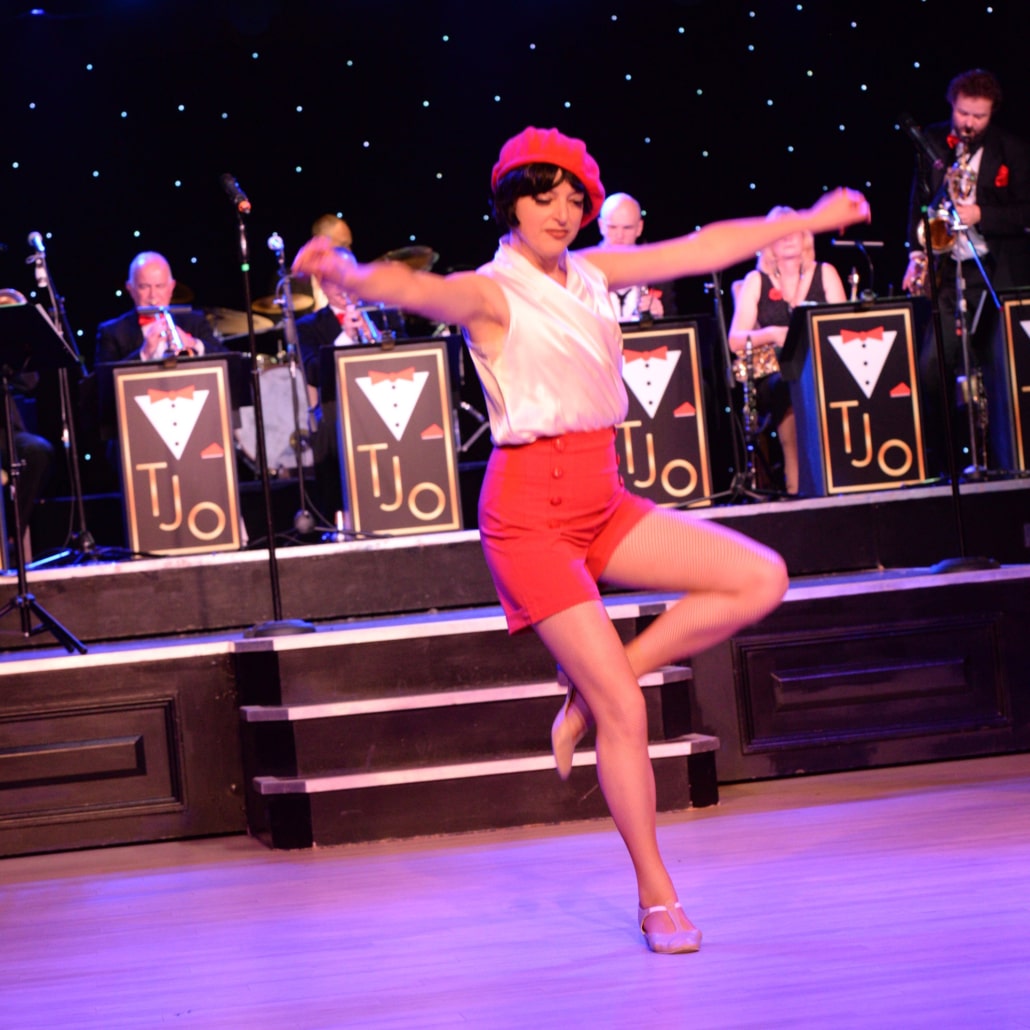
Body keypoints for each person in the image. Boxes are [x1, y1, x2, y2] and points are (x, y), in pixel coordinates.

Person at [292, 126, 870, 954]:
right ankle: (657, 896)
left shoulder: (595, 275)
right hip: (528, 515)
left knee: (760, 578)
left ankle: (586, 696)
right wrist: (347, 274)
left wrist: (806, 218)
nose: (562, 212)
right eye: (544, 197)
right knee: (626, 713)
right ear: (510, 203)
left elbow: (701, 248)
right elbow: (420, 292)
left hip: (600, 495)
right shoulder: (494, 291)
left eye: (574, 199)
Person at [901, 68, 1030, 474]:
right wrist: (916, 254)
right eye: (963, 114)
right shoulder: (934, 141)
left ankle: (1004, 463)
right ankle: (946, 469)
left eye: (979, 116)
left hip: (994, 272)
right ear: (951, 106)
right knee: (930, 371)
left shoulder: (1013, 149)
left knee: (997, 370)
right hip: (946, 269)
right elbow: (919, 202)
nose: (969, 124)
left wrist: (981, 214)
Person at [728, 209, 847, 495]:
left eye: (794, 229)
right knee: (789, 384)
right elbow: (735, 340)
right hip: (775, 376)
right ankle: (799, 492)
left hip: (822, 369)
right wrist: (771, 334)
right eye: (780, 232)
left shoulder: (825, 273)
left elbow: (844, 328)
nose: (788, 237)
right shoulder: (757, 280)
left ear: (805, 235)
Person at [95, 252, 224, 365]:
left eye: (160, 286)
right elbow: (103, 382)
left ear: (171, 287)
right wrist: (144, 353)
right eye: (144, 287)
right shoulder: (112, 332)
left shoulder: (195, 322)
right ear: (130, 288)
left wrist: (193, 343)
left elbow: (228, 360)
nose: (153, 296)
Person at [0, 288, 55, 546]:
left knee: (37, 450)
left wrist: (16, 339)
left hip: (5, 431)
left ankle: (12, 535)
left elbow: (29, 382)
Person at [596, 192, 678, 321]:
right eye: (612, 227)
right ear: (601, 226)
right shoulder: (581, 270)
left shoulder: (658, 274)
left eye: (627, 228)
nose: (619, 235)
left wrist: (661, 318)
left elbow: (678, 330)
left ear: (639, 228)